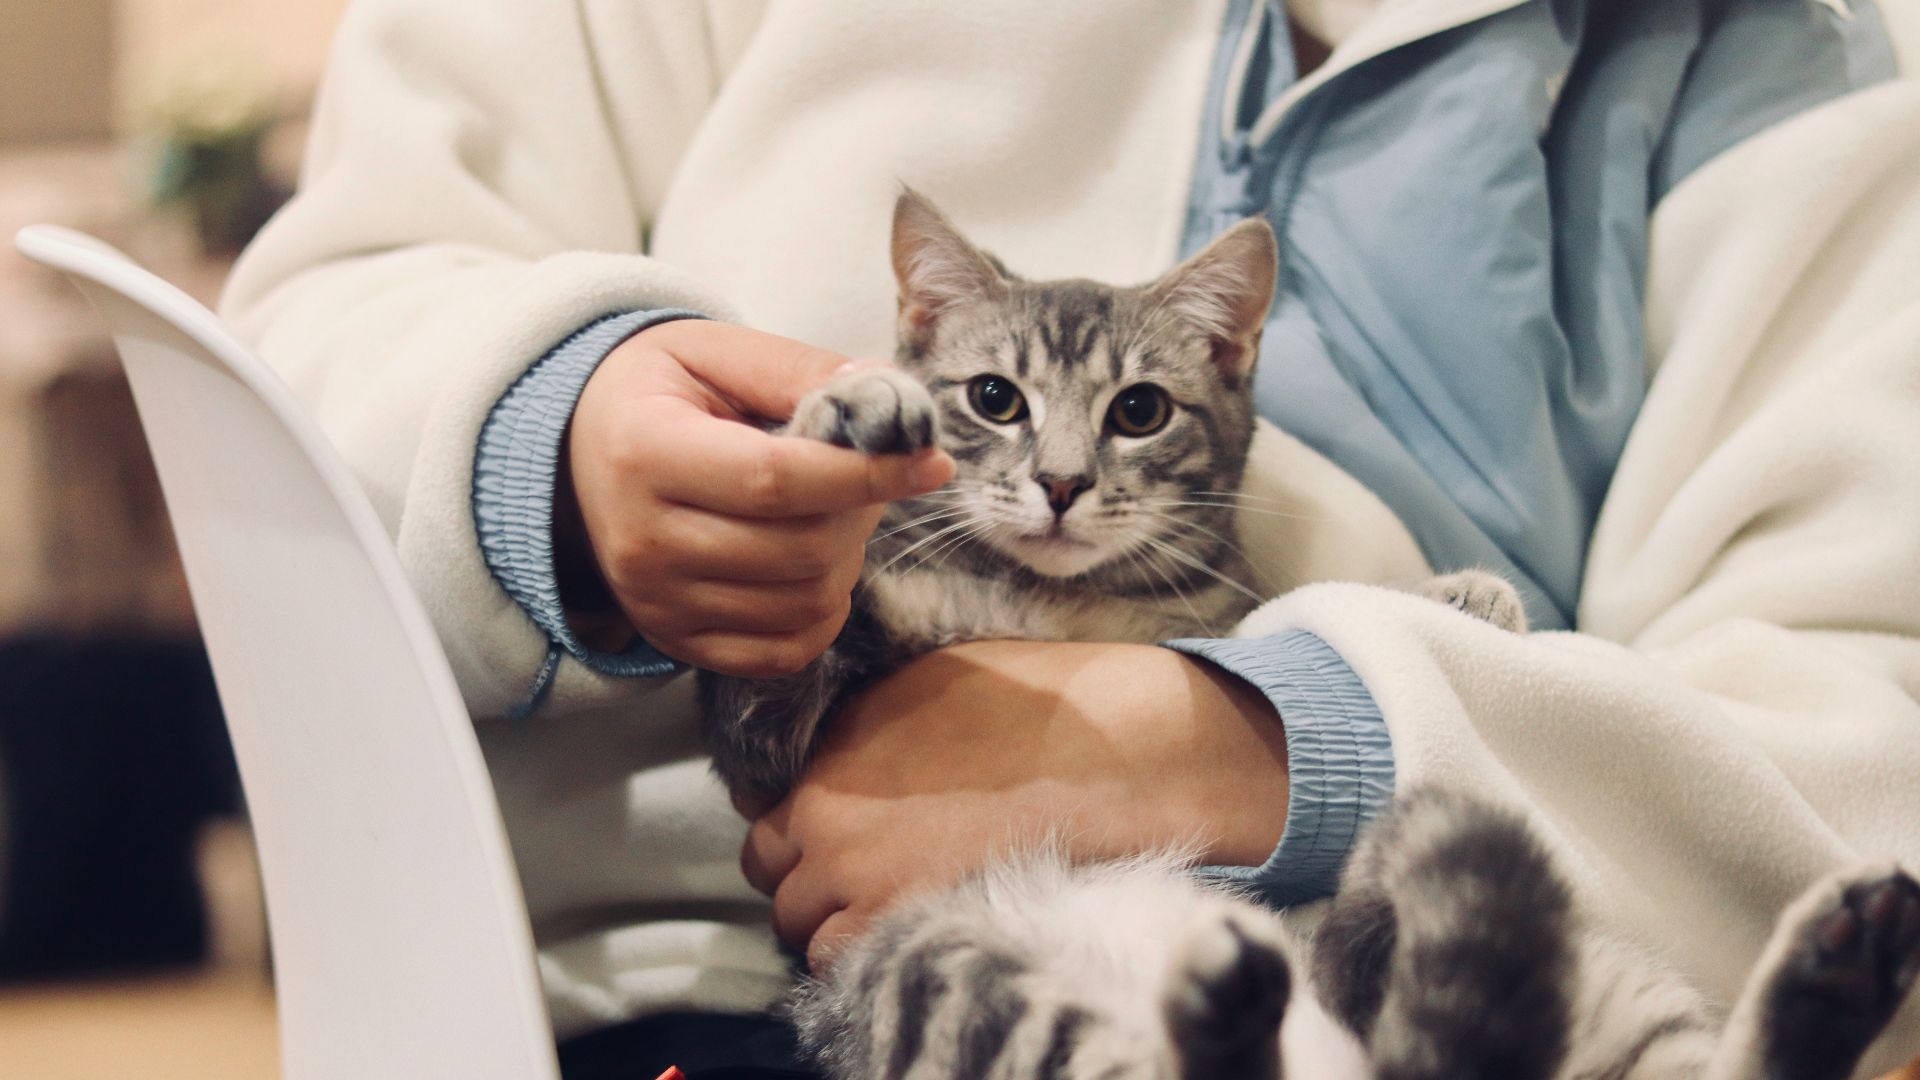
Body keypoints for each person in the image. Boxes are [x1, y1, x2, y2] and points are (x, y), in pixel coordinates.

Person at [222, 1, 1920, 1076]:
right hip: (665, 993)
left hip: (1397, 983)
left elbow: (1869, 741)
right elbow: (295, 349)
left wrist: (1280, 744)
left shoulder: (1786, 63)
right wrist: (564, 435)